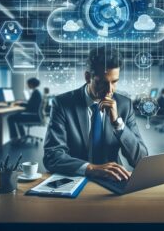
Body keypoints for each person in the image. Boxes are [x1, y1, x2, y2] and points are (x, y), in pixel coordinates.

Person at [43, 46, 148, 181]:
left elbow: (141, 159)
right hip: (76, 178)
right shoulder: (63, 104)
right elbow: (52, 156)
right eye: (102, 83)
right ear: (88, 77)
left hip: (114, 180)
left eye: (114, 82)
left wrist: (118, 123)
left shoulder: (124, 105)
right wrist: (90, 169)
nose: (110, 90)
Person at [8, 77, 42, 144]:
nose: (27, 85)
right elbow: (31, 104)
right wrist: (21, 104)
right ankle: (22, 135)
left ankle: (14, 138)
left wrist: (20, 104)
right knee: (17, 116)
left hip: (33, 116)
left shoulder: (36, 93)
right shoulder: (37, 92)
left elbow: (30, 106)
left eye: (28, 84)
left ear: (31, 84)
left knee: (10, 118)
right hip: (36, 115)